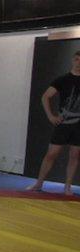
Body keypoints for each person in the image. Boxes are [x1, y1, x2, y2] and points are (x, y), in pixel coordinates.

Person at [27, 51, 80, 196]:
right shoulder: (62, 80)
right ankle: (39, 183)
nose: (78, 62)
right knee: (52, 153)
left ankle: (67, 186)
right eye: (76, 59)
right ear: (72, 60)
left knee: (75, 155)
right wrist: (50, 116)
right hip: (63, 123)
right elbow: (45, 96)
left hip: (78, 126)